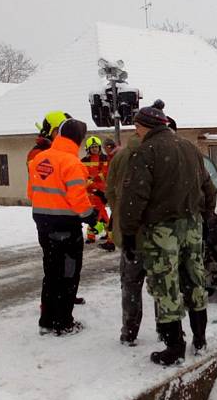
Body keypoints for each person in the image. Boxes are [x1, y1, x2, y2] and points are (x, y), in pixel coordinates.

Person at [119, 100, 217, 366]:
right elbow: (209, 188)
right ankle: (200, 337)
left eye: (136, 127)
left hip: (163, 230)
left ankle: (174, 346)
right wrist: (206, 219)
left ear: (144, 126)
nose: (136, 132)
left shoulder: (146, 151)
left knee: (166, 284)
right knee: (194, 278)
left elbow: (134, 197)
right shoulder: (189, 148)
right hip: (192, 225)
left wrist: (128, 233)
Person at [27, 118, 98, 336]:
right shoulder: (71, 162)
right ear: (78, 138)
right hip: (65, 225)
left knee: (51, 272)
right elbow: (77, 196)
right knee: (68, 274)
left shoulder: (38, 159)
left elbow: (31, 193)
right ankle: (63, 321)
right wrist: (90, 216)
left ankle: (47, 319)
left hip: (42, 222)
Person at [105, 130, 145, 346]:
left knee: (130, 283)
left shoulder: (120, 157)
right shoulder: (155, 153)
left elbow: (110, 190)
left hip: (129, 233)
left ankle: (129, 330)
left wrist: (119, 211)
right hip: (156, 233)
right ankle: (165, 329)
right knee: (161, 284)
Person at [81, 136, 113, 249]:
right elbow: (82, 175)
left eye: (96, 147)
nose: (94, 149)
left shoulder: (106, 159)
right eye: (92, 147)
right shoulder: (83, 161)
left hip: (102, 191)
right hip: (90, 192)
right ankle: (95, 235)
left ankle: (109, 237)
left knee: (100, 213)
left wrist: (96, 181)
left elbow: (107, 173)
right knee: (96, 213)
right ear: (88, 149)